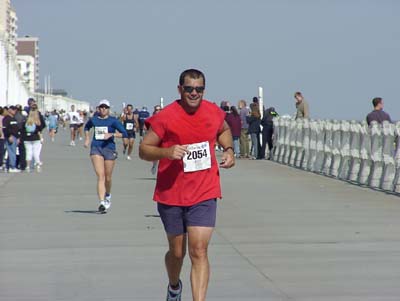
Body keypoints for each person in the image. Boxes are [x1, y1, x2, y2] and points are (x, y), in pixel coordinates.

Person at [139, 69, 235, 301]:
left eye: (199, 89)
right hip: (171, 193)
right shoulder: (166, 116)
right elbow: (143, 150)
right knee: (177, 252)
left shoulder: (213, 112)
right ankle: (174, 286)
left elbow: (224, 130)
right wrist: (167, 152)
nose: (194, 93)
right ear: (180, 89)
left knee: (199, 250)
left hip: (205, 190)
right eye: (189, 89)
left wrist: (229, 150)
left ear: (204, 90)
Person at [84, 99, 127, 213]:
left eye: (105, 107)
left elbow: (124, 133)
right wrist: (87, 139)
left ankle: (108, 194)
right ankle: (102, 202)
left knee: (108, 177)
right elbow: (86, 127)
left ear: (109, 109)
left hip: (109, 149)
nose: (103, 109)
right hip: (96, 148)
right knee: (100, 176)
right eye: (101, 107)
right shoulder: (94, 119)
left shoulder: (113, 121)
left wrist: (112, 134)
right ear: (98, 108)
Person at [21, 104, 45, 171]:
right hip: (35, 138)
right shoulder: (37, 122)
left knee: (28, 152)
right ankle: (38, 164)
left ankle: (28, 166)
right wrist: (41, 138)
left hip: (27, 138)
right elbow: (40, 130)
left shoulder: (26, 121)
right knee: (36, 152)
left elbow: (23, 129)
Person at [3, 106, 21, 172]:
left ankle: (8, 166)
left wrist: (18, 137)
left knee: (13, 152)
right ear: (10, 110)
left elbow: (17, 129)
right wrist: (9, 135)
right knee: (12, 152)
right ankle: (12, 167)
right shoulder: (6, 119)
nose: (14, 111)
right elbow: (5, 128)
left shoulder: (14, 118)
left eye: (15, 110)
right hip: (10, 137)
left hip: (15, 137)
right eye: (13, 110)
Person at [150, 104, 162, 175]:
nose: (158, 111)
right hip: (155, 138)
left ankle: (161, 170)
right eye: (157, 110)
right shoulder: (152, 119)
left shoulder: (165, 117)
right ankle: (154, 165)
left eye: (159, 109)